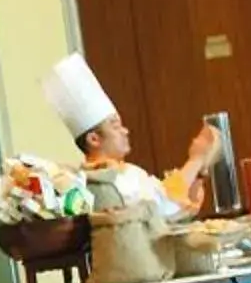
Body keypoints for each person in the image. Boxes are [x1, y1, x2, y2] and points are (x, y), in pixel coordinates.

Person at [42, 53, 222, 222]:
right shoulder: (104, 181)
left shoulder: (126, 172)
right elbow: (164, 206)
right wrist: (196, 158)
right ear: (94, 139)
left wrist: (200, 170)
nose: (125, 131)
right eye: (116, 126)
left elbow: (176, 203)